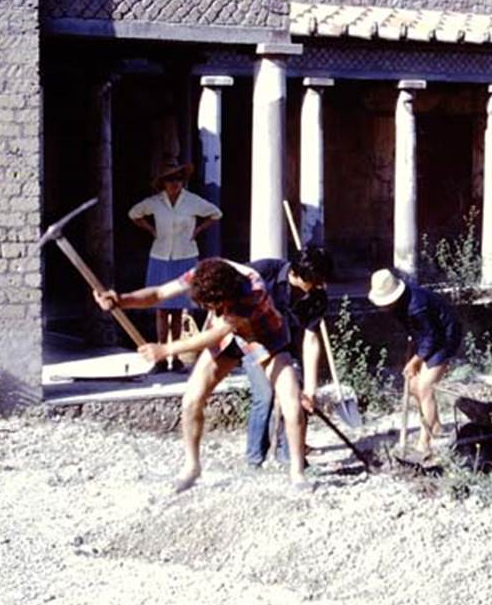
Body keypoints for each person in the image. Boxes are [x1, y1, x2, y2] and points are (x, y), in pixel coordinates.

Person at [94, 258, 308, 491]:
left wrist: (166, 349)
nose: (211, 310)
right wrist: (121, 300)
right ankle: (192, 466)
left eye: (215, 306)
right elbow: (158, 294)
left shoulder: (252, 289)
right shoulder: (201, 274)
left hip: (264, 337)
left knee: (291, 404)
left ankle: (297, 473)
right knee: (191, 400)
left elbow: (217, 332)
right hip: (227, 338)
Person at [127, 157, 222, 373]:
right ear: (163, 183)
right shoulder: (155, 202)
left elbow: (216, 213)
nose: (175, 183)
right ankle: (161, 357)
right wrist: (151, 230)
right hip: (160, 255)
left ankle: (176, 356)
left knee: (178, 309)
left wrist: (197, 231)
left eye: (179, 179)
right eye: (170, 179)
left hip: (185, 254)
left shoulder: (192, 201)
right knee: (161, 309)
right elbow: (134, 213)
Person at [244, 247, 333, 468]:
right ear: (295, 274)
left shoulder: (317, 293)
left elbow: (311, 340)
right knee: (264, 395)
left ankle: (291, 457)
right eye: (313, 281)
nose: (318, 287)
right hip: (253, 338)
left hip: (288, 344)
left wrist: (311, 389)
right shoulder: (264, 271)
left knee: (296, 398)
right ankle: (254, 458)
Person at [368, 268, 461, 455]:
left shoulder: (417, 306)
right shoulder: (399, 304)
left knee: (425, 387)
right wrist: (412, 354)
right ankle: (435, 426)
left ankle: (424, 442)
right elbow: (416, 332)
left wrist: (416, 360)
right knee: (413, 385)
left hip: (445, 338)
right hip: (429, 337)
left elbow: (431, 337)